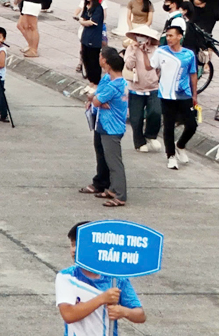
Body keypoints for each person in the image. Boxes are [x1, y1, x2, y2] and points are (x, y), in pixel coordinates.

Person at [56, 222, 146, 336]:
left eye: (80, 244)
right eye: (73, 244)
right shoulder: (67, 277)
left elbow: (140, 315)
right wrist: (102, 298)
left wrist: (123, 311)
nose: (74, 250)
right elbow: (69, 315)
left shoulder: (116, 277)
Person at [81, 47, 129, 207]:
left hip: (111, 128)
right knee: (106, 158)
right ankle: (112, 188)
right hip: (104, 124)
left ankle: (120, 195)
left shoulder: (113, 86)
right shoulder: (116, 82)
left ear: (107, 63)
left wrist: (95, 98)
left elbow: (96, 100)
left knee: (114, 162)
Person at [150, 26, 198, 170]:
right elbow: (151, 67)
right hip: (166, 95)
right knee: (169, 126)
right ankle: (170, 156)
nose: (169, 38)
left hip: (184, 94)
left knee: (192, 125)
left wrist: (194, 94)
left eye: (171, 36)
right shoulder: (161, 51)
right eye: (167, 36)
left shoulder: (189, 54)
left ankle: (180, 145)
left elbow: (193, 74)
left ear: (179, 37)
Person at [123, 25, 162, 153]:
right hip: (136, 88)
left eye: (144, 37)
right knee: (136, 118)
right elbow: (129, 65)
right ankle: (139, 142)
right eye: (139, 37)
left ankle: (150, 135)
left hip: (153, 87)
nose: (142, 40)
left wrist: (145, 52)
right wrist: (135, 51)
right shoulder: (131, 48)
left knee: (155, 112)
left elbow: (157, 67)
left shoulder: (156, 50)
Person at [78, 0, 104, 88]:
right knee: (86, 58)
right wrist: (83, 21)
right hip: (85, 37)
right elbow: (83, 18)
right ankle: (90, 82)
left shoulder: (98, 8)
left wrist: (82, 22)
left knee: (94, 61)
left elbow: (92, 22)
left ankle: (96, 82)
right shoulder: (87, 6)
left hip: (94, 38)